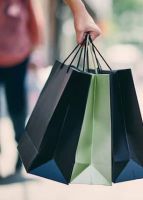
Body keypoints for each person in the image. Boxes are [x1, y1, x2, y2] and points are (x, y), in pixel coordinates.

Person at [0, 0, 101, 173]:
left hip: (17, 57)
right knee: (17, 106)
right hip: (17, 54)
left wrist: (79, 10)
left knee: (17, 107)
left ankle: (22, 149)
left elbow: (35, 23)